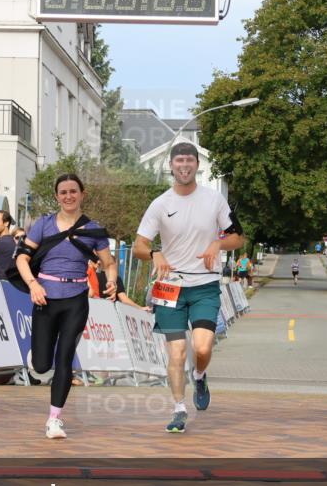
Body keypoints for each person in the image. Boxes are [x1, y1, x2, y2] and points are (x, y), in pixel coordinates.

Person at [133, 142, 244, 434]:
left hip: (205, 285)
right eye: (179, 160)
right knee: (177, 352)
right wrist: (154, 252)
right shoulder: (160, 204)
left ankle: (200, 374)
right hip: (170, 288)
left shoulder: (214, 200)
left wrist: (218, 242)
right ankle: (179, 409)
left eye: (189, 160)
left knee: (203, 346)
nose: (184, 165)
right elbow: (139, 245)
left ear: (197, 165)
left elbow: (238, 239)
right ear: (171, 165)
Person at [15, 173, 117, 439]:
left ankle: (54, 419)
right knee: (40, 364)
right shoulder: (44, 225)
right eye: (63, 192)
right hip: (46, 297)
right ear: (57, 196)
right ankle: (37, 359)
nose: (69, 196)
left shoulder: (93, 229)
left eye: (73, 191)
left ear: (82, 194)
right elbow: (22, 259)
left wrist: (113, 281)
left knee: (65, 358)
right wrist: (33, 285)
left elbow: (109, 262)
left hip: (76, 298)